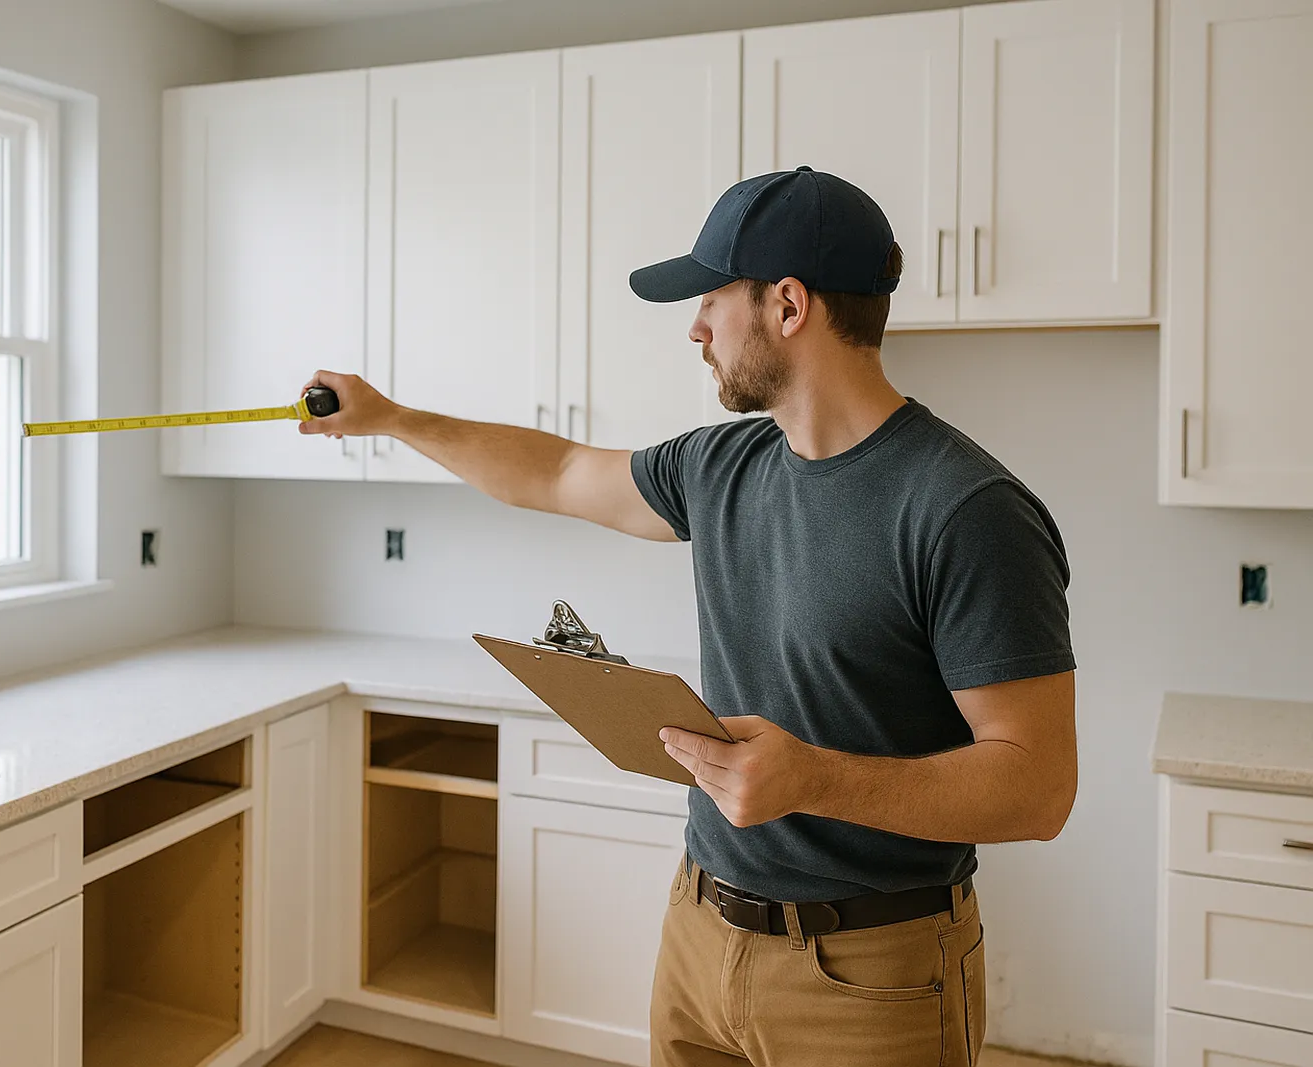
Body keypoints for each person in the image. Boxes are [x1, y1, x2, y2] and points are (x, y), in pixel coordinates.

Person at [298, 166, 1077, 1067]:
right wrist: (391, 417)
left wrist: (815, 779)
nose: (696, 328)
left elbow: (1038, 786)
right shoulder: (720, 469)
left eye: (712, 299)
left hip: (872, 973)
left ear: (788, 305)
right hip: (701, 930)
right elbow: (556, 471)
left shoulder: (965, 509)